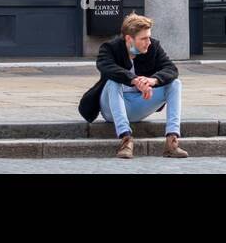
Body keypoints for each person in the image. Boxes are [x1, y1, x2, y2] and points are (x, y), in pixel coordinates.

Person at [77, 13, 187, 159]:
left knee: (175, 84)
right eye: (143, 38)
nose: (148, 42)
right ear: (129, 39)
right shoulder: (110, 48)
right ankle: (126, 140)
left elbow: (171, 69)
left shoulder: (153, 46)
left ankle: (172, 141)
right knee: (113, 81)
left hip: (139, 103)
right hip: (111, 107)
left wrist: (153, 81)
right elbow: (106, 66)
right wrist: (135, 80)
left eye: (149, 37)